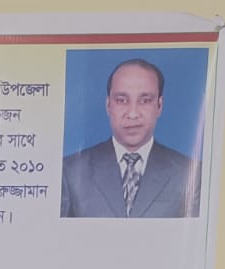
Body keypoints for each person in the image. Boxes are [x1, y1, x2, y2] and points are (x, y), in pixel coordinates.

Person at [59, 58, 200, 218]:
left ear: (159, 106)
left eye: (145, 101)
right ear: (108, 105)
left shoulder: (190, 174)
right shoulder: (70, 171)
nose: (133, 114)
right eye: (122, 100)